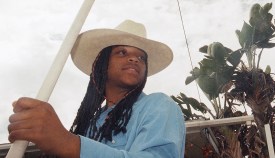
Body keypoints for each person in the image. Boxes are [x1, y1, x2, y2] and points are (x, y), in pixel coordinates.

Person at [8, 20, 186, 157]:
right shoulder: (89, 124)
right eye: (122, 52)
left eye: (141, 57)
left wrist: (67, 143)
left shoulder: (158, 105)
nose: (135, 59)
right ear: (102, 64)